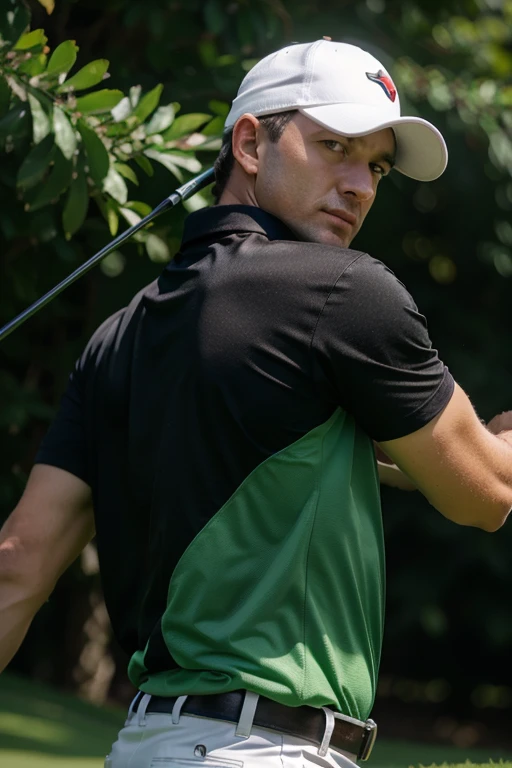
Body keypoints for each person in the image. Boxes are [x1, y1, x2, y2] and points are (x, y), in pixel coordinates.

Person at [0, 38, 511, 768]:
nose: (359, 185)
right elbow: (485, 495)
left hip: (142, 745)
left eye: (374, 165)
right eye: (335, 145)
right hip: (261, 750)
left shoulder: (119, 338)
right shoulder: (344, 292)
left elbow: (17, 568)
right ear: (249, 141)